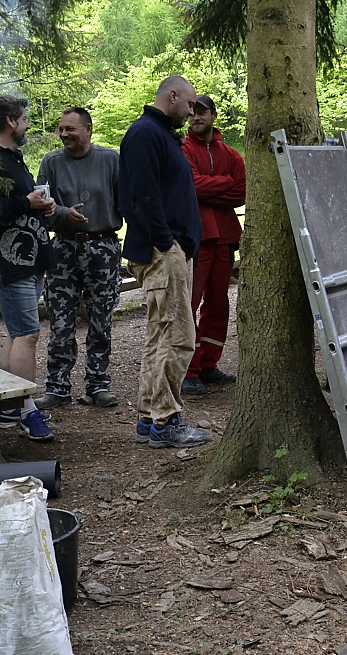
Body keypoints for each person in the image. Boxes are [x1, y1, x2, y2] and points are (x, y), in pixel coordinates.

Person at [119, 75, 211, 448]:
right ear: (172, 96)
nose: (191, 113)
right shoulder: (145, 134)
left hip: (170, 250)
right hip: (162, 253)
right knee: (179, 336)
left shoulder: (160, 134)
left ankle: (149, 417)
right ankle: (166, 421)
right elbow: (142, 197)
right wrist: (166, 243)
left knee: (160, 336)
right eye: (189, 105)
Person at [0, 94, 57, 442]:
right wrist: (26, 202)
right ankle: (27, 410)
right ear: (9, 121)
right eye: (24, 119)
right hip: (8, 263)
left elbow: (20, 202)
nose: (28, 125)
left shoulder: (13, 158)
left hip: (31, 260)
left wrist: (41, 205)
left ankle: (8, 408)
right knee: (28, 335)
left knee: (17, 333)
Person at [35, 107, 123, 410]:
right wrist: (63, 213)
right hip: (63, 249)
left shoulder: (110, 160)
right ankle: (57, 386)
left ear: (88, 129)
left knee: (101, 319)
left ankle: (98, 384)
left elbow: (126, 201)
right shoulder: (51, 162)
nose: (64, 134)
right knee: (60, 322)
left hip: (103, 248)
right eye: (61, 129)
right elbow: (41, 204)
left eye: (70, 129)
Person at [179, 94, 246, 396]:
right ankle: (188, 370)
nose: (196, 117)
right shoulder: (183, 149)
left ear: (213, 116)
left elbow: (242, 192)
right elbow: (190, 187)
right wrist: (223, 182)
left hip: (226, 238)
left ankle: (209, 365)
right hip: (197, 237)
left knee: (218, 303)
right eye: (192, 112)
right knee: (190, 303)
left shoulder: (231, 154)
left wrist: (209, 189)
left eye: (202, 112)